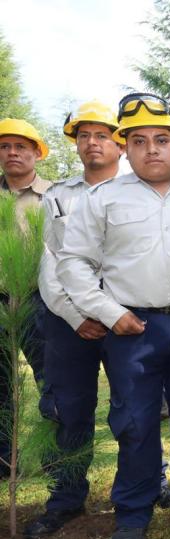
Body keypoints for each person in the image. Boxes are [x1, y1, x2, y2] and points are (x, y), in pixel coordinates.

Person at [57, 93, 170, 539]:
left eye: (162, 139)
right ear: (125, 148)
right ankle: (132, 511)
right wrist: (109, 313)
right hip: (132, 327)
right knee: (135, 420)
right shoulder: (102, 199)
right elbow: (74, 263)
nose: (151, 149)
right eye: (139, 140)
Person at [24, 102, 122, 539]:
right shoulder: (58, 196)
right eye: (84, 136)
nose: (92, 143)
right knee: (70, 411)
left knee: (134, 407)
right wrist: (75, 314)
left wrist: (112, 314)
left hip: (127, 318)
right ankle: (66, 497)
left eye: (102, 135)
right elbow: (50, 263)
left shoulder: (137, 190)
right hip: (69, 321)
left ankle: (143, 487)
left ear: (119, 142)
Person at [0, 118, 51, 480]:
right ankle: (5, 461)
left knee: (50, 381)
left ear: (36, 152)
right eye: (5, 147)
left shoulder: (55, 195)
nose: (12, 153)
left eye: (20, 146)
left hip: (40, 300)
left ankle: (52, 456)